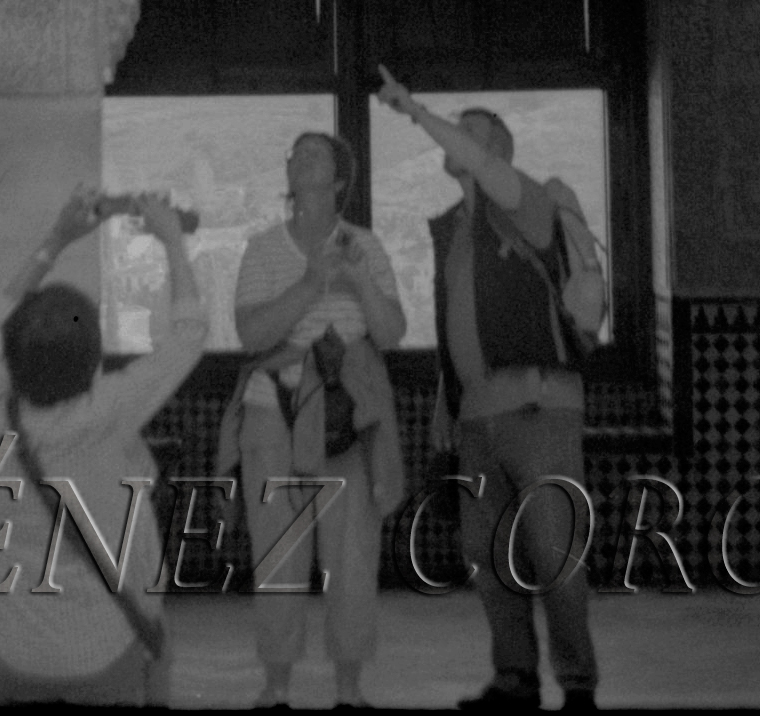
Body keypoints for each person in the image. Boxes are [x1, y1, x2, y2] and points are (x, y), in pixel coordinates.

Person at [375, 69, 598, 715]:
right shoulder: (452, 228)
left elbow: (473, 155)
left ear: (497, 153)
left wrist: (413, 108)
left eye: (471, 134)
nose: (456, 142)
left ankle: (577, 685)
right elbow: (459, 326)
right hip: (476, 418)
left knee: (555, 552)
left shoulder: (525, 203)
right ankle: (515, 680)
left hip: (538, 408)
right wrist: (446, 407)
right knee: (487, 556)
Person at [0, 184, 208, 705]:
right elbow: (189, 332)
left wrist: (57, 238)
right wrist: (171, 240)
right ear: (94, 358)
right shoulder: (111, 408)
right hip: (102, 655)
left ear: (11, 357)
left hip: (16, 653)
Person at [225, 130, 406, 710]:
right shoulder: (262, 248)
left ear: (338, 182)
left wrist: (353, 281)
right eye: (296, 153)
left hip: (346, 414)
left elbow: (391, 332)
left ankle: (349, 688)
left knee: (352, 557)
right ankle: (276, 684)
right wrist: (311, 284)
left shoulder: (366, 247)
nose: (302, 158)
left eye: (317, 154)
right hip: (271, 410)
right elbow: (253, 334)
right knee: (277, 554)